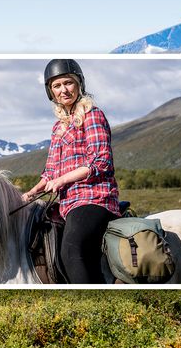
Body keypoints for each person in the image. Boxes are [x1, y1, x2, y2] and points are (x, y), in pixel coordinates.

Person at [22, 59, 120, 283]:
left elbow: (100, 161)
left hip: (94, 198)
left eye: (68, 83)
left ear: (79, 84)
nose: (63, 90)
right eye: (57, 86)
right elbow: (50, 173)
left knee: (71, 250)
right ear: (51, 92)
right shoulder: (58, 127)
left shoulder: (93, 115)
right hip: (68, 203)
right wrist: (30, 193)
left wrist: (63, 179)